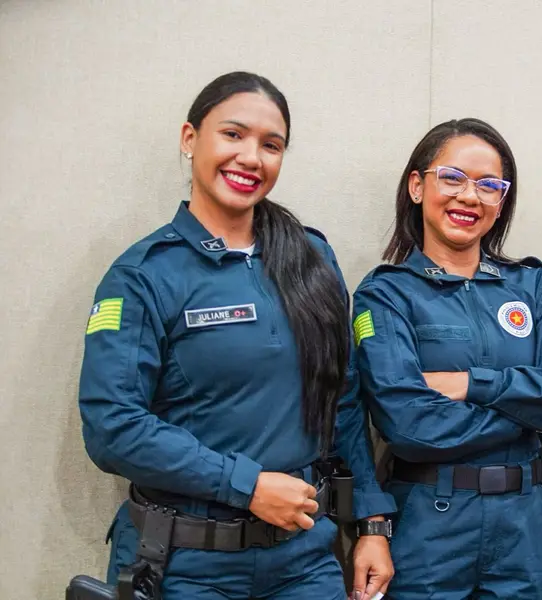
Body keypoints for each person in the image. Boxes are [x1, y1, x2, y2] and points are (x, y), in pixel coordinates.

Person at [78, 71, 395, 600]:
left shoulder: (312, 260)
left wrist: (371, 523)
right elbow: (112, 425)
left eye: (271, 145)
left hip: (304, 559)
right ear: (189, 139)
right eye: (233, 134)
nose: (251, 157)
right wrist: (245, 486)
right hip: (186, 566)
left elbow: (340, 397)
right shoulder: (142, 275)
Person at [351, 118, 542, 599]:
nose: (469, 197)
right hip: (431, 523)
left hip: (525, 527)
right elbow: (408, 423)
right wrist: (531, 413)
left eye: (489, 186)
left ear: (501, 201)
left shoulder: (536, 288)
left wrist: (474, 385)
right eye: (452, 178)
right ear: (416, 185)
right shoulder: (385, 295)